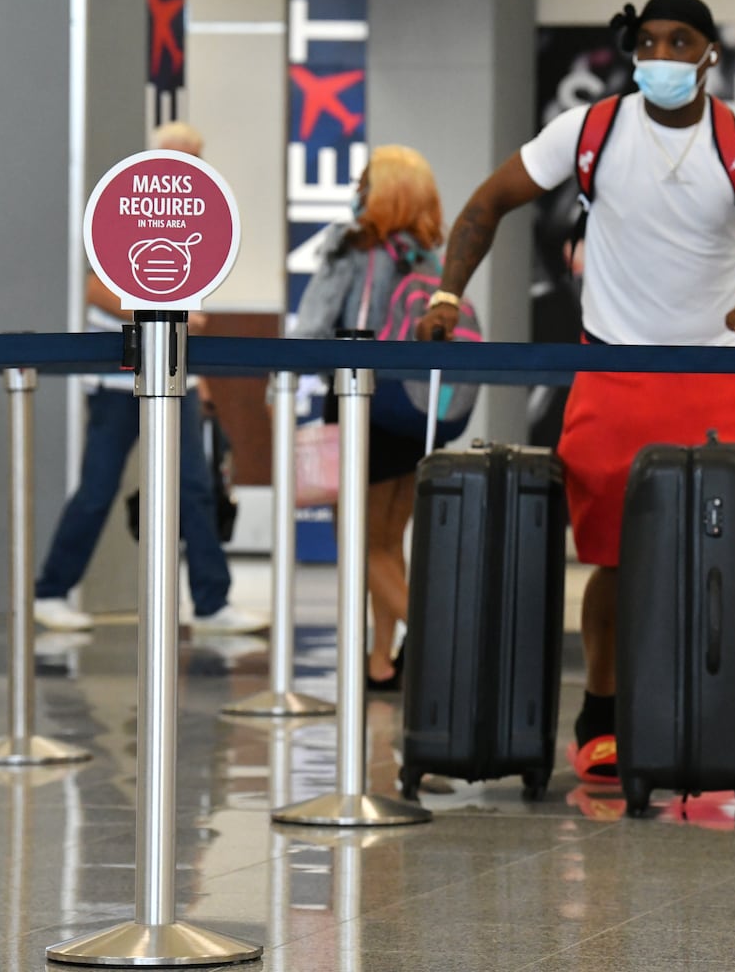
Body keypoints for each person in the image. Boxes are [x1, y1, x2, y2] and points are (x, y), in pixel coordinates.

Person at [416, 0, 735, 796]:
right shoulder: (589, 131)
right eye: (648, 42)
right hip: (615, 366)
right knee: (608, 552)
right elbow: (486, 204)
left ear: (709, 54)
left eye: (680, 42)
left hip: (723, 369)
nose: (662, 57)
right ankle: (598, 722)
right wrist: (443, 294)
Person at [33, 122, 267, 636]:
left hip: (172, 370)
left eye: (196, 156)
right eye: (182, 155)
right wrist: (158, 304)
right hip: (117, 379)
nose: (190, 166)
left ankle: (211, 602)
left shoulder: (196, 224)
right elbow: (96, 289)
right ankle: (50, 591)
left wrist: (198, 380)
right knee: (97, 488)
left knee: (194, 487)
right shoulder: (118, 211)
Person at [291, 145, 447, 691]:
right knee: (389, 539)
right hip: (412, 405)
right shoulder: (427, 254)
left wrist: (281, 377)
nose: (357, 189)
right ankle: (383, 660)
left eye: (365, 180)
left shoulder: (351, 245)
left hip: (359, 400)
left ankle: (441, 641)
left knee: (360, 540)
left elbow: (313, 324)